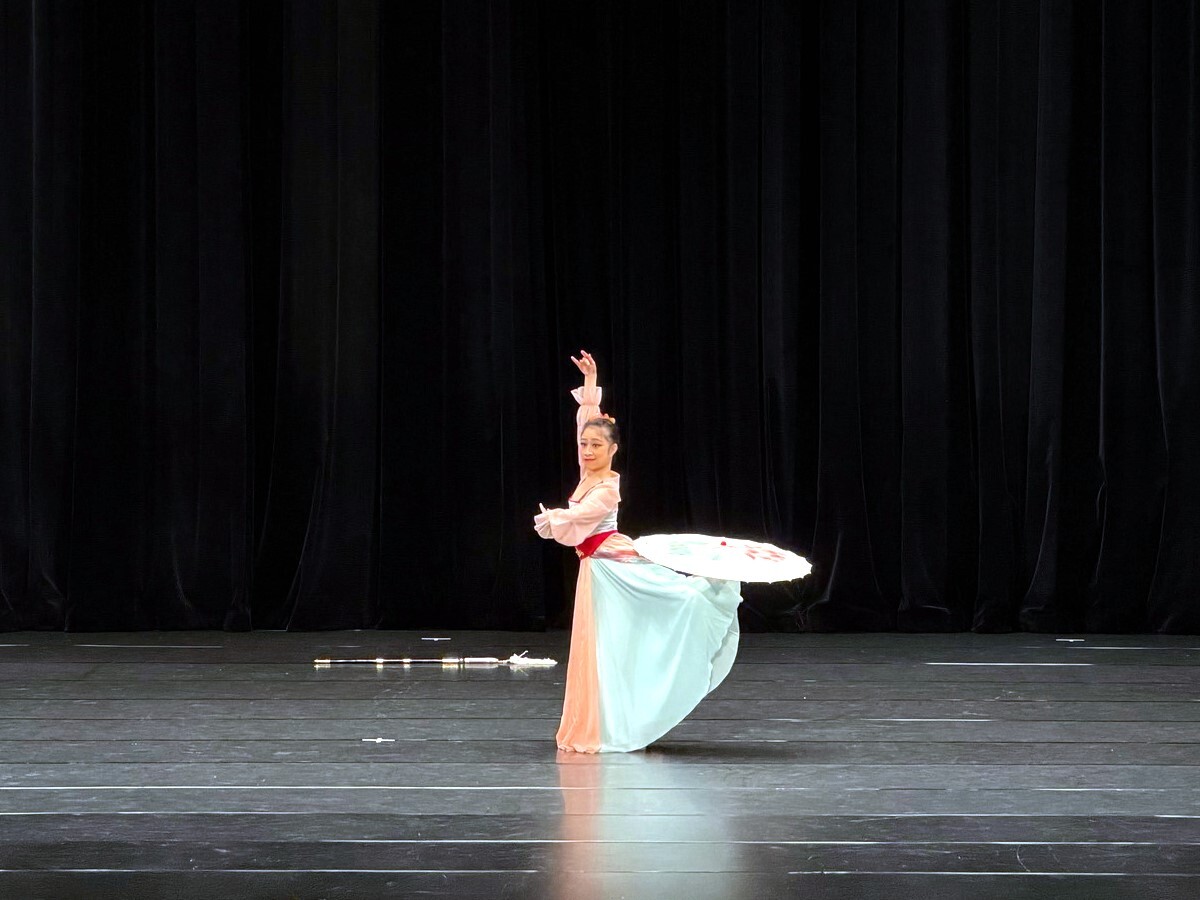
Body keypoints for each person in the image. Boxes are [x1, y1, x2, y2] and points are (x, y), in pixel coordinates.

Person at [534, 350, 743, 753]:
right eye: (584, 444)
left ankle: (621, 718)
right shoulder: (588, 472)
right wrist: (591, 384)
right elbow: (584, 420)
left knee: (639, 628)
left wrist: (553, 518)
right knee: (606, 646)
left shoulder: (607, 487)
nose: (587, 450)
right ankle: (602, 722)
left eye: (596, 445)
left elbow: (579, 521)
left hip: (613, 567)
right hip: (598, 568)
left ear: (612, 449)